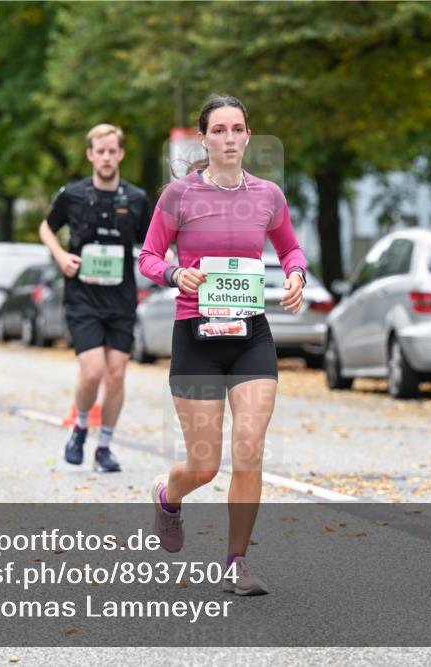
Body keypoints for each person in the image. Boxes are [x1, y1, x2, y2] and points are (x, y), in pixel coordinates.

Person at [138, 95, 307, 595]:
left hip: (250, 335)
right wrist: (175, 273)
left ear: (248, 136)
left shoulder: (268, 195)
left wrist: (297, 274)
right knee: (205, 465)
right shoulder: (179, 196)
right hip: (196, 336)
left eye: (238, 129)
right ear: (204, 138)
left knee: (249, 450)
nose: (230, 138)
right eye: (219, 130)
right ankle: (169, 496)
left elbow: (291, 247)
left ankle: (237, 563)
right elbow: (147, 256)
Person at [38, 124, 153, 473]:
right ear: (90, 154)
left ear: (120, 154)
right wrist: (60, 256)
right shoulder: (73, 194)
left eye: (112, 151)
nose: (106, 157)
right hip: (83, 299)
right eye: (99, 151)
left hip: (120, 301)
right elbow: (45, 227)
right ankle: (80, 427)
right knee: (93, 372)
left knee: (116, 375)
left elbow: (152, 242)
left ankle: (104, 446)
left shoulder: (135, 199)